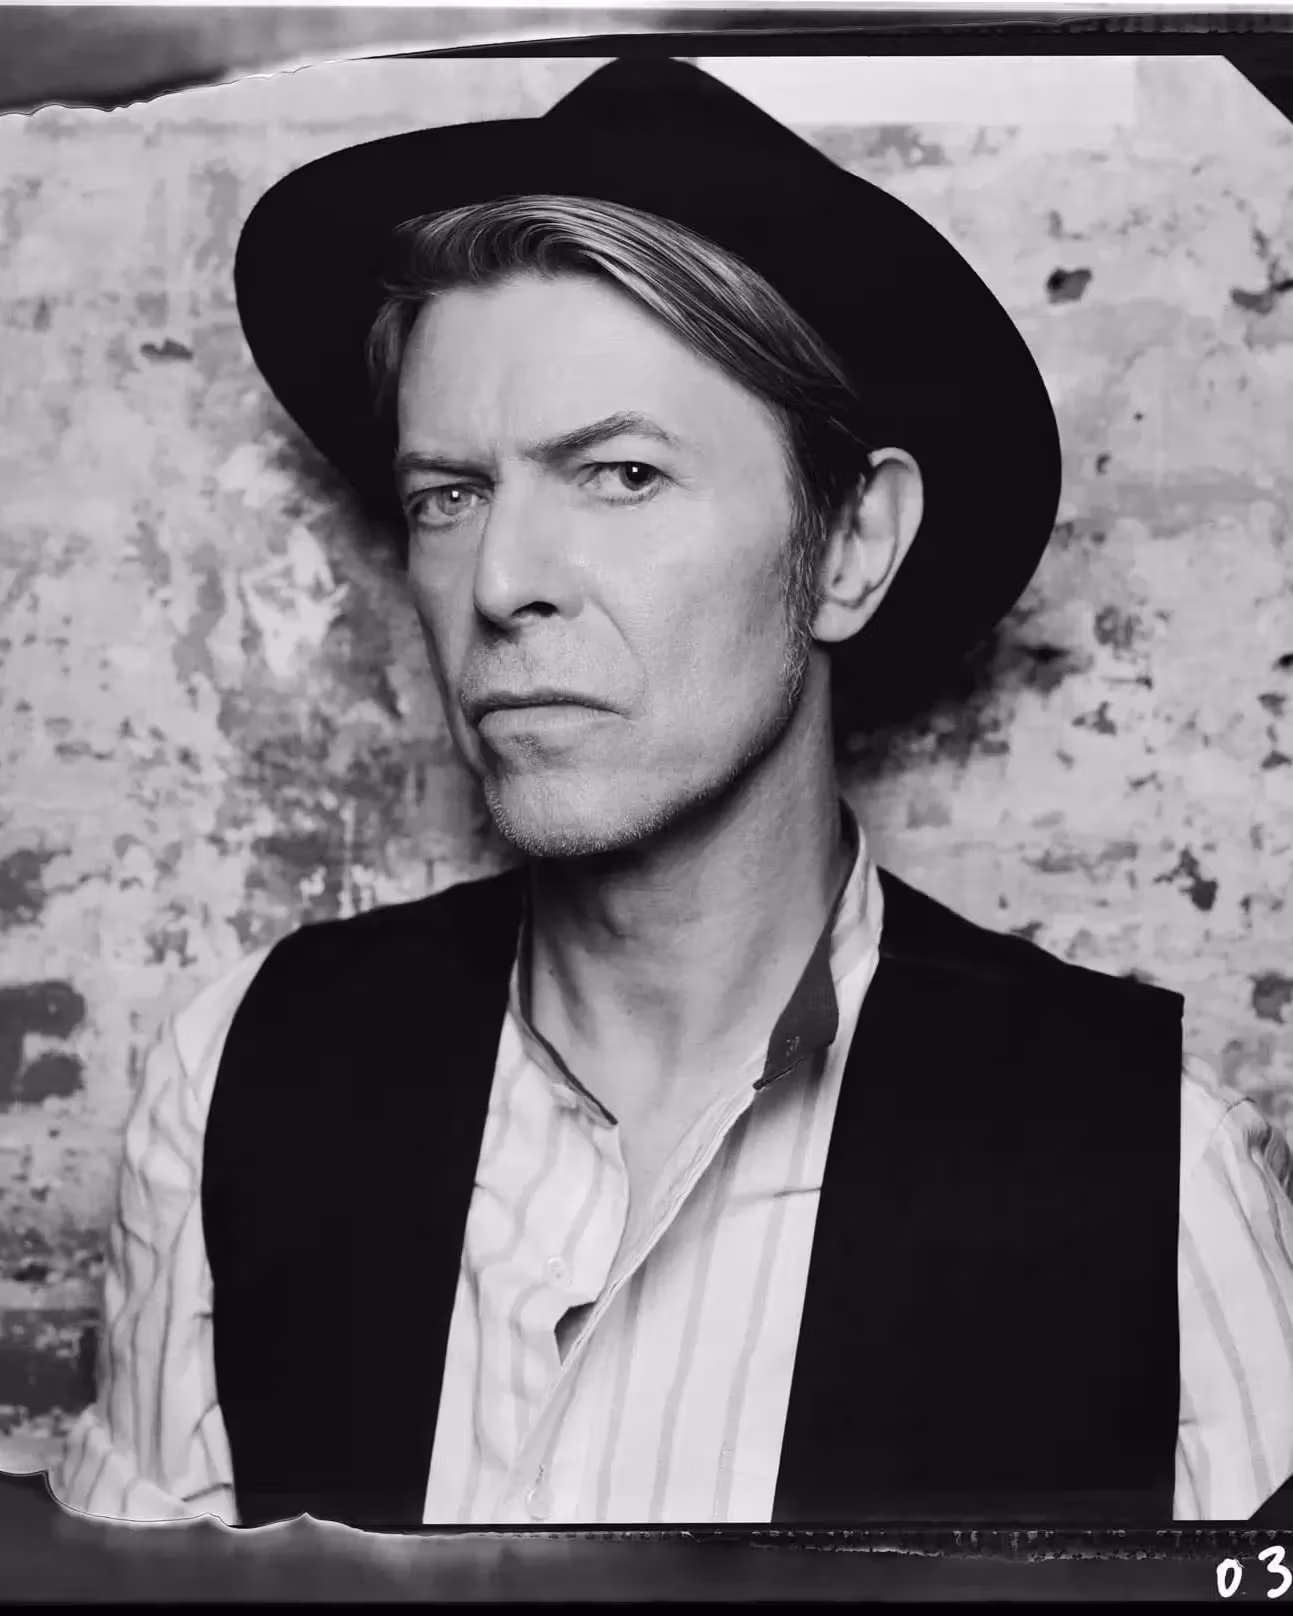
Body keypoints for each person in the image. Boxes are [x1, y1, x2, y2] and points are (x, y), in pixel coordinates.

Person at [49, 56, 1293, 1529]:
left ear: (847, 549)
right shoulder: (241, 1086)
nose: (501, 584)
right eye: (448, 495)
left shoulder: (1148, 1178)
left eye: (621, 475)